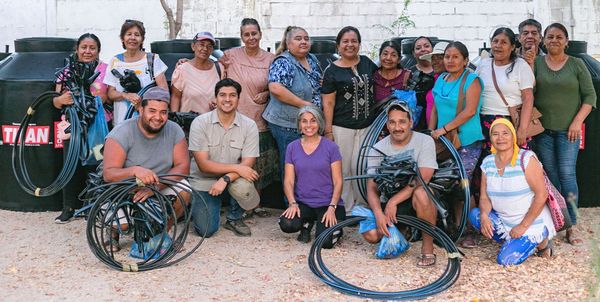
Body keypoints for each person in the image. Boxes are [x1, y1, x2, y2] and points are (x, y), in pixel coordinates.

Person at [102, 87, 190, 251]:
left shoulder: (174, 130)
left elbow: (182, 166)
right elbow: (109, 174)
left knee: (185, 188)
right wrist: (134, 170)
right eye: (152, 111)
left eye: (163, 112)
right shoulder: (121, 133)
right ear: (140, 109)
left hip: (158, 183)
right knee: (124, 225)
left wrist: (155, 188)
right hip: (125, 188)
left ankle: (162, 234)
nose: (158, 117)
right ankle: (112, 233)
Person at [532, 23, 596, 245]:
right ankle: (560, 220)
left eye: (559, 37)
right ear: (544, 40)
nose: (554, 40)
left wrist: (577, 122)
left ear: (566, 41)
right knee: (551, 177)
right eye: (550, 37)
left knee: (568, 175)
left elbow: (590, 97)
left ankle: (573, 225)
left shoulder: (577, 64)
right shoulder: (537, 64)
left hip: (569, 132)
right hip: (544, 133)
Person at [468, 118, 556, 265]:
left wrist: (523, 226)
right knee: (475, 215)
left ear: (513, 136)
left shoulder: (526, 158)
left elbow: (542, 195)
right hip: (505, 220)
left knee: (505, 260)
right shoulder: (488, 162)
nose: (500, 138)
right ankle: (513, 240)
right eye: (495, 134)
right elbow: (484, 198)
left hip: (531, 222)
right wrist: (484, 215)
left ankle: (541, 240)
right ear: (490, 138)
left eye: (505, 133)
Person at [362, 100, 438, 267]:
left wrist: (393, 201)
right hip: (389, 198)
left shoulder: (425, 141)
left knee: (422, 193)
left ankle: (427, 247)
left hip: (415, 198)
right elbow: (372, 186)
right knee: (371, 235)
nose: (397, 127)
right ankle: (404, 230)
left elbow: (423, 178)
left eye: (402, 122)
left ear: (411, 122)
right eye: (392, 122)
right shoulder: (377, 148)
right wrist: (378, 214)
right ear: (387, 125)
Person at [189, 78, 260, 237]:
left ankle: (234, 218)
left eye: (232, 95)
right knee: (206, 230)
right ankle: (197, 205)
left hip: (233, 178)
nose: (227, 99)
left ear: (238, 99)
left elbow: (247, 163)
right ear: (215, 98)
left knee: (244, 185)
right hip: (204, 178)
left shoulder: (249, 125)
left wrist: (226, 178)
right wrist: (236, 168)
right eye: (222, 95)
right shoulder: (200, 123)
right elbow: (203, 165)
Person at [220, 18, 277, 217]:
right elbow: (214, 72)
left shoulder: (271, 58)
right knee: (237, 162)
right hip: (235, 119)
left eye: (254, 33)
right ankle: (240, 207)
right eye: (246, 34)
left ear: (260, 34)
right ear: (242, 36)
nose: (251, 37)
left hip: (260, 119)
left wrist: (268, 93)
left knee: (259, 163)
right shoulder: (230, 55)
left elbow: (278, 84)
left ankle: (256, 204)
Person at [430, 41, 484, 248]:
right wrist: (432, 133)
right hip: (444, 141)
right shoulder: (441, 80)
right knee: (447, 182)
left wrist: (444, 129)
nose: (450, 61)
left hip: (466, 140)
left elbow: (470, 111)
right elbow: (435, 108)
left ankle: (470, 230)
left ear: (465, 60)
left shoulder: (472, 80)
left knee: (464, 183)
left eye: (455, 57)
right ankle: (454, 226)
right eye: (447, 57)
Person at [52, 33, 108, 223]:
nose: (87, 51)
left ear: (98, 51)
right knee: (70, 164)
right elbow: (55, 101)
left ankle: (93, 206)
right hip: (72, 127)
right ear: (77, 49)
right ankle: (68, 207)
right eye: (84, 47)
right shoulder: (65, 72)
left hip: (98, 128)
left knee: (97, 164)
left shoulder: (105, 70)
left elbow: (106, 97)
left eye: (92, 48)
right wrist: (61, 100)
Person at [322, 26, 378, 215]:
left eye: (354, 41)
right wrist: (328, 131)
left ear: (359, 44)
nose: (350, 45)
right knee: (343, 168)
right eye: (345, 41)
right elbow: (328, 103)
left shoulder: (367, 63)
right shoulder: (331, 71)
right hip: (341, 127)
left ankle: (363, 207)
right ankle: (345, 208)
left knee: (362, 166)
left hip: (367, 127)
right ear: (338, 46)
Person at [263, 26, 322, 189]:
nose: (303, 41)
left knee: (307, 166)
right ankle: (292, 207)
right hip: (287, 124)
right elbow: (276, 88)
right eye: (298, 38)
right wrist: (304, 105)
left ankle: (306, 203)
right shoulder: (284, 62)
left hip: (309, 123)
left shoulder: (312, 59)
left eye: (306, 38)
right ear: (288, 43)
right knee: (292, 167)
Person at [279, 106, 345, 247]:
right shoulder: (292, 147)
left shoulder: (331, 147)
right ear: (299, 124)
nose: (309, 125)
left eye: (313, 121)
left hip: (328, 204)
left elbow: (338, 181)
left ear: (319, 122)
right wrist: (292, 203)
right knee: (287, 224)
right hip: (304, 202)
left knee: (325, 243)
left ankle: (337, 228)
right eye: (304, 121)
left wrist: (332, 207)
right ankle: (307, 223)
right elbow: (289, 181)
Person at [477, 27, 535, 152]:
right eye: (495, 41)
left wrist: (522, 129)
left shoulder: (520, 66)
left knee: (512, 165)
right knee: (489, 164)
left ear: (513, 46)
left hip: (510, 122)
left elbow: (528, 98)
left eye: (504, 42)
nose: (498, 45)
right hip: (484, 123)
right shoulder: (483, 64)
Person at [103, 19, 168, 126]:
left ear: (142, 39)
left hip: (149, 121)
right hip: (122, 121)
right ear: (122, 38)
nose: (132, 38)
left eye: (137, 35)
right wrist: (126, 95)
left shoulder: (152, 59)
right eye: (129, 34)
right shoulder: (115, 61)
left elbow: (163, 91)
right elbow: (111, 93)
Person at [170, 32, 223, 113]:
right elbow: (175, 97)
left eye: (209, 46)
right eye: (201, 44)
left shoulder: (219, 68)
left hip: (214, 122)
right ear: (193, 46)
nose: (205, 49)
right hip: (189, 123)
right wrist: (175, 119)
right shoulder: (182, 70)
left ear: (212, 50)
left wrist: (219, 104)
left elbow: (225, 94)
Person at [408, 36, 436, 129]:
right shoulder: (409, 73)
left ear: (432, 49)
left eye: (426, 46)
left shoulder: (442, 71)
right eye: (418, 48)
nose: (423, 49)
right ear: (413, 53)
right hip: (415, 123)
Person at [420, 41, 448, 126]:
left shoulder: (451, 80)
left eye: (439, 58)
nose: (435, 62)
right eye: (433, 58)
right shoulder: (435, 79)